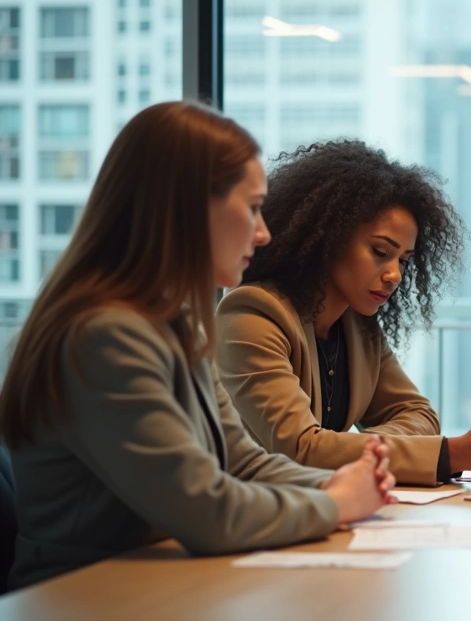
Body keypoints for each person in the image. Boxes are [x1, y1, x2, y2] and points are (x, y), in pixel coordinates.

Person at [0, 102, 394, 590]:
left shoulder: (173, 324)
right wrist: (336, 504)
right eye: (251, 208)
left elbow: (242, 462)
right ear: (185, 208)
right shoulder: (103, 335)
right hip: (84, 594)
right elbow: (207, 510)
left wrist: (348, 483)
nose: (265, 232)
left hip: (159, 586)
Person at [216, 140, 471, 486]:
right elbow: (301, 448)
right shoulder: (252, 314)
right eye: (380, 251)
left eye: (402, 259)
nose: (395, 275)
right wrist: (456, 453)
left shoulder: (357, 325)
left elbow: (420, 415)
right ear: (327, 237)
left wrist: (352, 448)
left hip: (329, 508)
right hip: (254, 519)